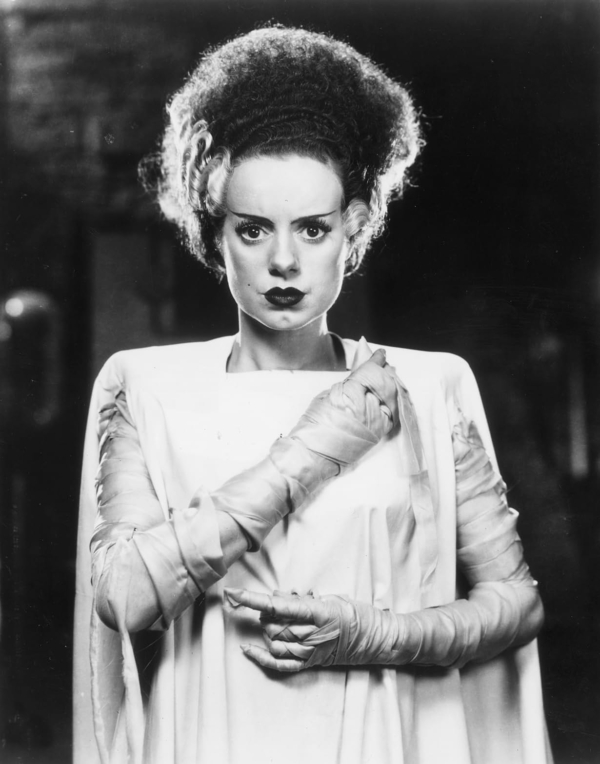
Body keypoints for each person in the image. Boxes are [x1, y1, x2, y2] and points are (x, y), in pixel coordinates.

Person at [73, 26, 553, 764]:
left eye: (313, 229)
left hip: (379, 739)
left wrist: (372, 636)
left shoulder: (427, 387)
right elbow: (125, 595)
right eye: (253, 230)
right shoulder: (146, 387)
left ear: (353, 229)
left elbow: (516, 603)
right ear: (213, 232)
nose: (284, 260)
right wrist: (312, 449)